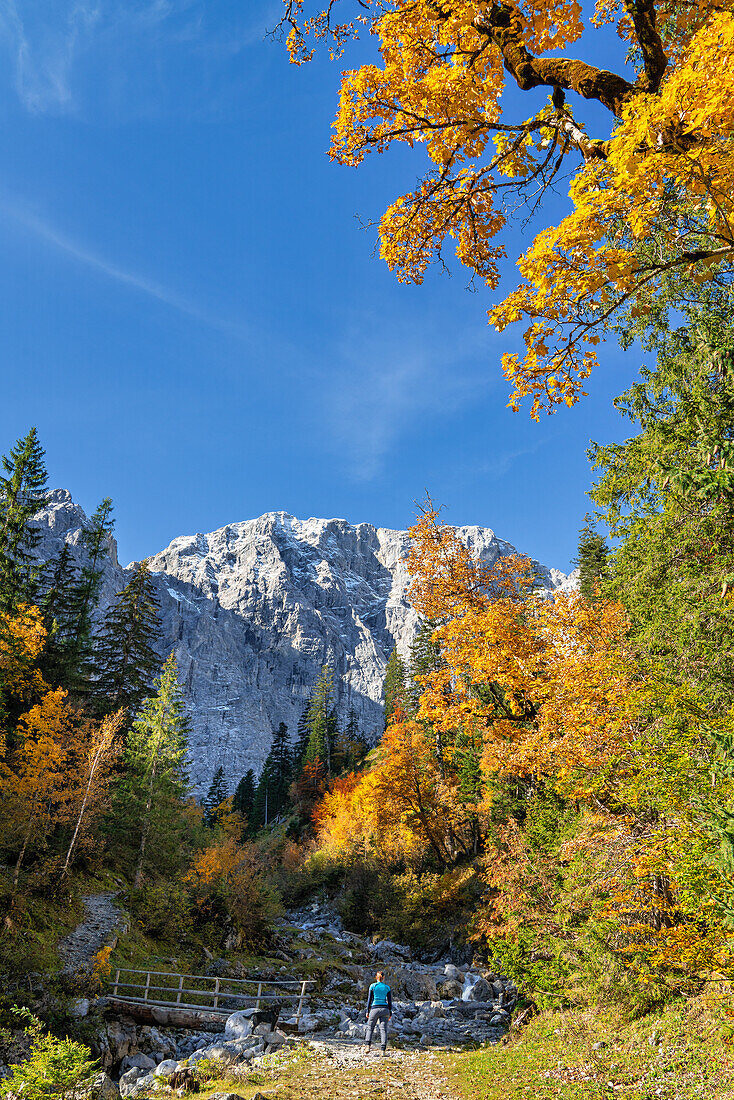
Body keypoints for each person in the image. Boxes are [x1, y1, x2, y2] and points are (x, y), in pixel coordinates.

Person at [364, 969, 392, 1055]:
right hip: (385, 1009)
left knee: (370, 1027)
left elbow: (369, 1000)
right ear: (383, 978)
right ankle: (383, 1051)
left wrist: (367, 1011)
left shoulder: (372, 986)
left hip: (374, 1008)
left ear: (376, 977)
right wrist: (390, 1012)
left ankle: (367, 1046)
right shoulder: (387, 987)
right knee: (383, 1030)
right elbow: (390, 1002)